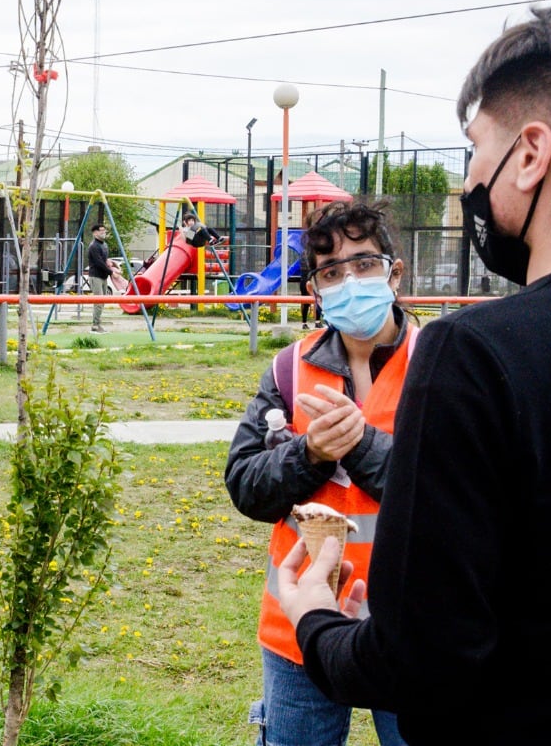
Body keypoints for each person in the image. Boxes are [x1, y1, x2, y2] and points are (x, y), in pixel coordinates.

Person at [276, 1, 551, 745]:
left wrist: (313, 617)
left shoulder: (474, 356)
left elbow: (421, 660)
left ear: (533, 153)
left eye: (476, 147)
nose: (473, 175)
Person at [226, 201, 414, 746]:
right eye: (331, 271)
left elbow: (456, 496)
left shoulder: (440, 364)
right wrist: (308, 454)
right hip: (300, 622)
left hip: (412, 627)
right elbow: (245, 485)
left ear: (394, 273)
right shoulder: (289, 368)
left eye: (364, 263)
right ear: (316, 290)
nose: (349, 280)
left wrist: (360, 445)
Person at [86, 223, 116, 332]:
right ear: (95, 233)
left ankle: (97, 323)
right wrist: (111, 272)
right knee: (98, 301)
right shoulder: (93, 246)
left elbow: (104, 260)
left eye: (104, 230)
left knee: (102, 301)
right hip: (96, 276)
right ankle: (95, 325)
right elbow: (99, 262)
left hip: (103, 277)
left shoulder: (104, 245)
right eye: (101, 230)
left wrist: (112, 264)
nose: (103, 232)